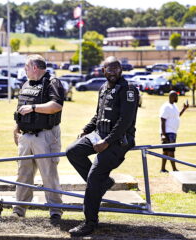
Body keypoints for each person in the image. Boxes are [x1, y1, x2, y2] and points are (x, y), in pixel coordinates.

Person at [66, 56, 139, 237]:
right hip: (99, 134)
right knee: (72, 151)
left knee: (94, 177)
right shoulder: (103, 88)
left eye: (116, 69)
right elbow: (98, 116)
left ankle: (90, 222)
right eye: (109, 69)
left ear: (120, 70)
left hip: (118, 140)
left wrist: (106, 142)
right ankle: (104, 183)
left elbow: (125, 121)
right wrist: (86, 130)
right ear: (103, 70)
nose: (112, 72)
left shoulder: (128, 90)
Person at [12, 54, 65, 220]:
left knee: (48, 174)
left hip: (46, 135)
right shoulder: (27, 84)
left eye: (26, 67)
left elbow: (56, 106)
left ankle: (55, 211)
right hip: (26, 136)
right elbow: (22, 107)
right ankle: (19, 209)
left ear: (35, 67)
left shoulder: (53, 83)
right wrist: (17, 127)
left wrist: (34, 108)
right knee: (23, 173)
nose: (24, 70)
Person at [159, 90, 189, 173]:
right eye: (176, 96)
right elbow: (162, 119)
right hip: (168, 132)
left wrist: (184, 109)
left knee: (165, 151)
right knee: (171, 151)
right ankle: (174, 169)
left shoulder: (174, 106)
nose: (177, 98)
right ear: (171, 97)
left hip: (172, 132)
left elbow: (177, 116)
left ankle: (163, 169)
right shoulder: (166, 106)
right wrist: (163, 134)